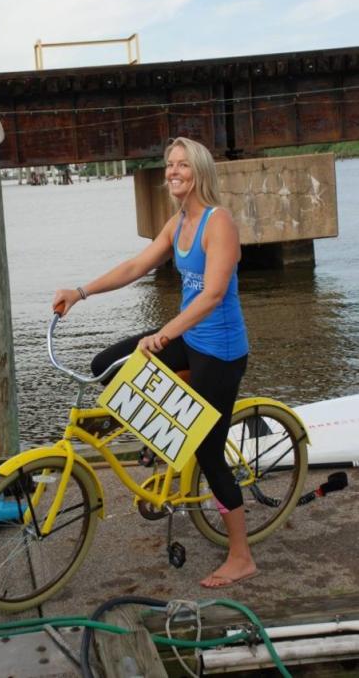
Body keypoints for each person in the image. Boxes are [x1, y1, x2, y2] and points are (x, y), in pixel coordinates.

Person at [52, 136, 256, 588]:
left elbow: (214, 293)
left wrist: (163, 333)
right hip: (188, 337)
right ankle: (161, 446)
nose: (172, 171)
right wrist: (80, 292)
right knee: (108, 362)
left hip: (220, 350)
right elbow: (136, 265)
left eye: (181, 164)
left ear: (199, 170)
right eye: (168, 165)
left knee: (209, 451)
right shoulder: (179, 221)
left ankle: (241, 555)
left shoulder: (217, 222)